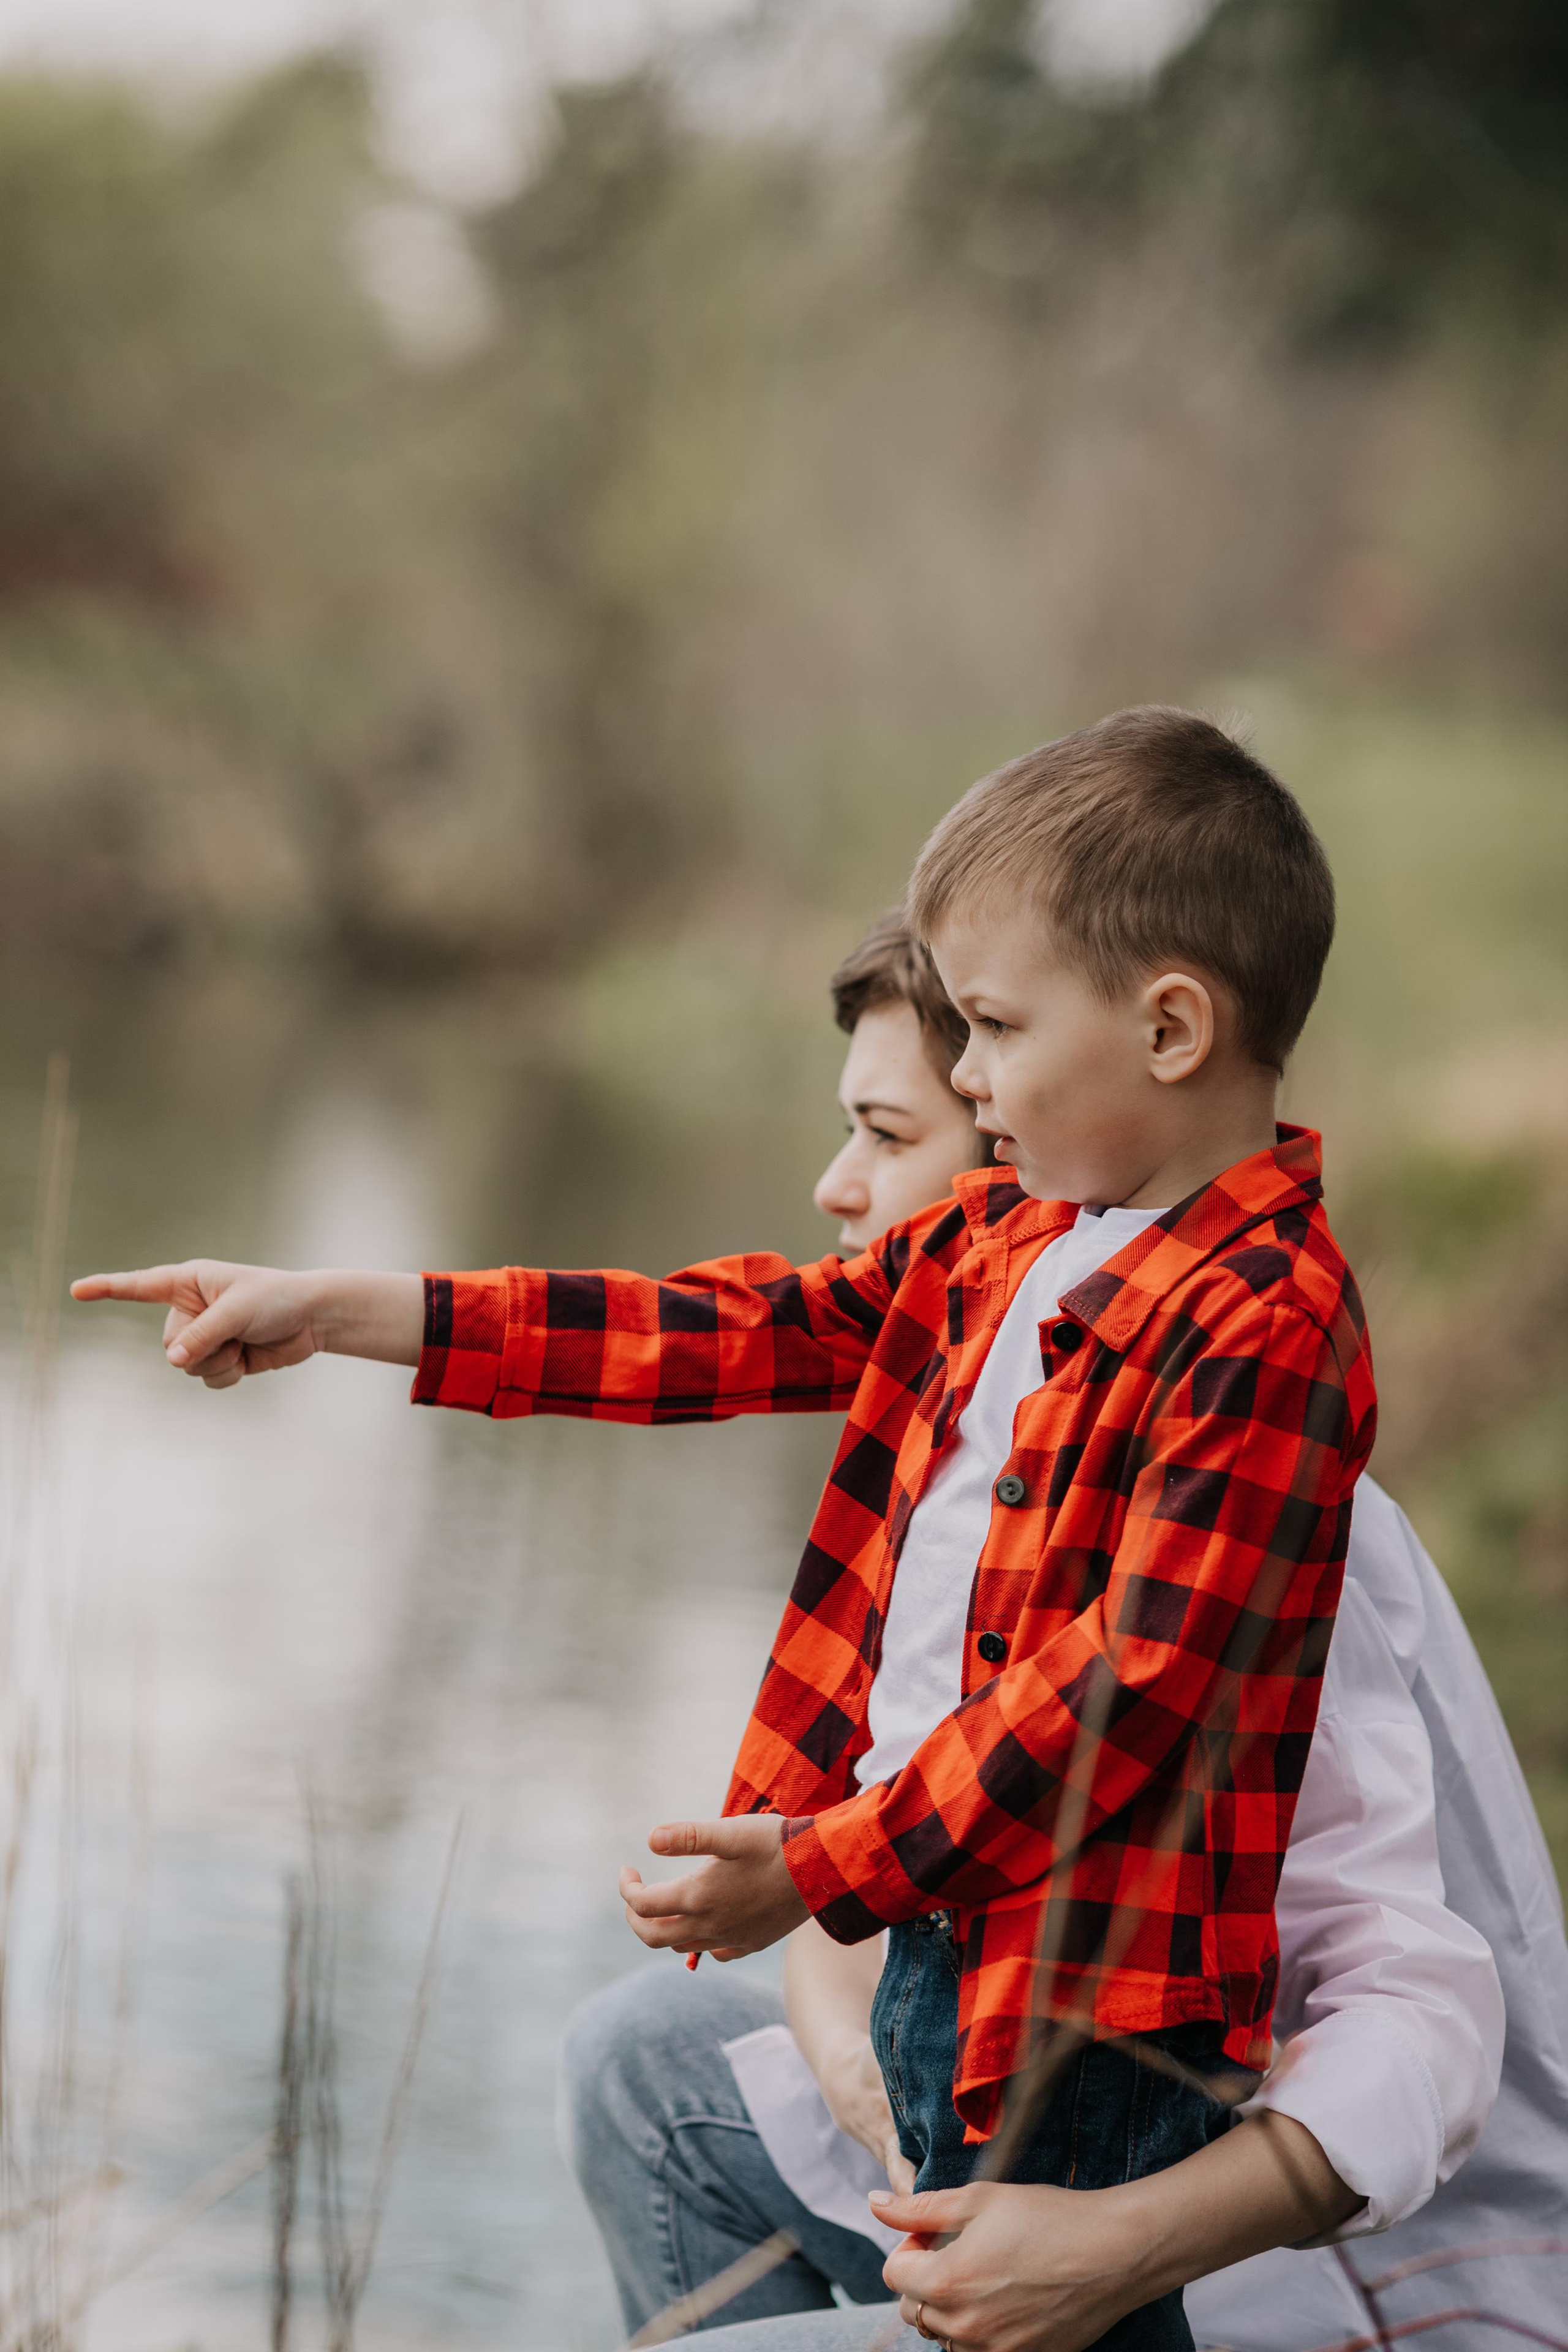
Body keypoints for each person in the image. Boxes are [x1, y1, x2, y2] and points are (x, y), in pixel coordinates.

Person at [75, 709, 1380, 2351]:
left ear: (1172, 1027)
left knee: (1042, 2314)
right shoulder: (1020, 1241)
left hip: (1092, 2016)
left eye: (989, 1028)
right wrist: (360, 1308)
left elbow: (1123, 1691)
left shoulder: (1265, 1321)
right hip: (953, 1956)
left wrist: (823, 1867)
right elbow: (722, 1333)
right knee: (877, 2245)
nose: (965, 1078)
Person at [560, 913, 1564, 2352]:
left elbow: (1421, 2012)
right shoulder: (989, 1461)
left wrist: (1107, 2246)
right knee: (636, 2064)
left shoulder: (1232, 1511)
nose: (834, 1188)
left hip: (1325, 2270)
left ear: (1025, 1189)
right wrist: (853, 2063)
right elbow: (891, 1847)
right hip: (1004, 2079)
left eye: (887, 1133)